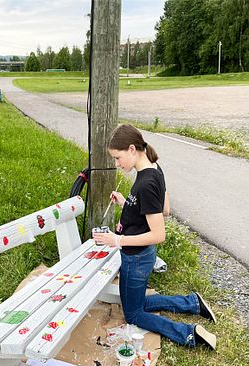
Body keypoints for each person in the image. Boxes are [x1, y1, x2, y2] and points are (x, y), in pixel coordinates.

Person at [93, 124, 217, 350]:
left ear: (132, 149)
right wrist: (125, 202)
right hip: (143, 256)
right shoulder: (153, 169)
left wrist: (117, 240)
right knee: (137, 303)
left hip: (136, 258)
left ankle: (188, 334)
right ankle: (191, 303)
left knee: (133, 313)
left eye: (117, 157)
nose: (117, 164)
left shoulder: (145, 183)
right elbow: (164, 210)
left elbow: (159, 234)